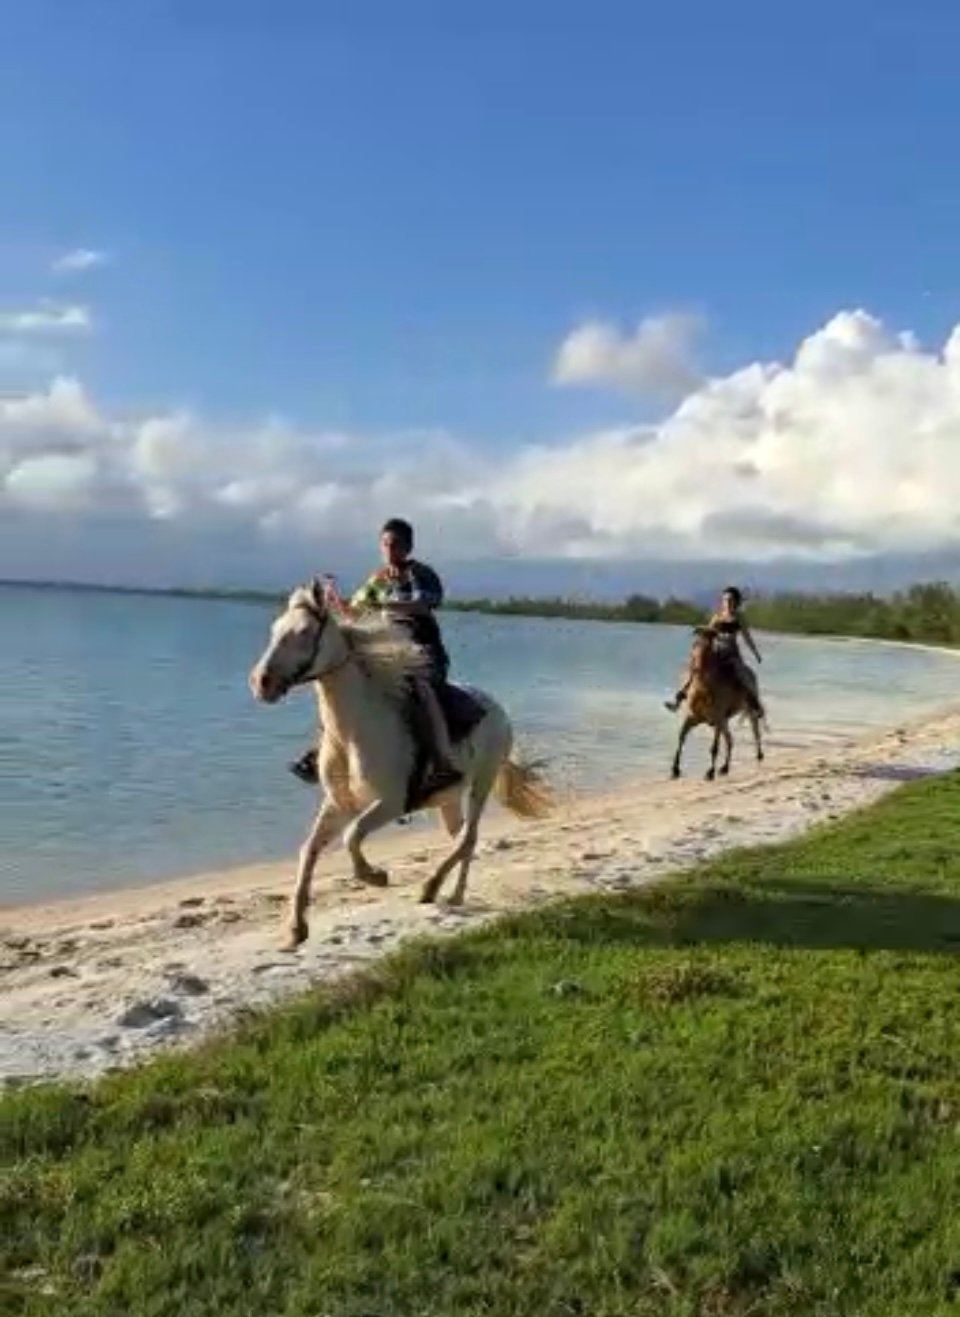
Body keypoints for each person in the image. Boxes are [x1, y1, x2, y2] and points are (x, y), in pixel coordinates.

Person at [289, 518, 464, 797]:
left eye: (394, 544)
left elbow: (425, 602)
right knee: (343, 688)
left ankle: (443, 764)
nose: (388, 549)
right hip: (388, 654)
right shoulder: (378, 578)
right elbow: (355, 612)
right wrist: (337, 603)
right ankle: (321, 750)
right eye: (384, 544)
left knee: (421, 691)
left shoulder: (420, 573)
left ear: (408, 547)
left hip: (422, 653)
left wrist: (386, 603)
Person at [665, 585, 764, 715]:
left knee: (741, 674)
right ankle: (678, 701)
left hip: (731, 654)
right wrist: (700, 629)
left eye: (730, 600)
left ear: (736, 601)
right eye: (725, 600)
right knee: (695, 669)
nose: (727, 603)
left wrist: (756, 653)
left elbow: (747, 637)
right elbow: (709, 629)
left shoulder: (739, 617)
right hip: (716, 652)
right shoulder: (717, 616)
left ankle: (754, 705)